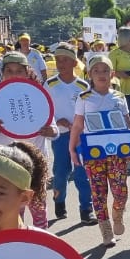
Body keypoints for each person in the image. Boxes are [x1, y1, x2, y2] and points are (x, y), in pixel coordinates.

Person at [0, 52, 58, 229]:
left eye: (19, 71)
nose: (14, 75)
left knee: (38, 208)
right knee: (11, 209)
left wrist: (50, 130)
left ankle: (41, 243)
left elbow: (53, 127)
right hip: (5, 163)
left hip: (35, 162)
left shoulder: (38, 95)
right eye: (9, 70)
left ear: (27, 72)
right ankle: (14, 243)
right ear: (2, 73)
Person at [69, 53, 130, 246]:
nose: (101, 74)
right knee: (98, 192)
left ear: (112, 73)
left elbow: (127, 123)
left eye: (105, 70)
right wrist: (72, 149)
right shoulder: (84, 97)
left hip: (116, 153)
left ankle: (117, 214)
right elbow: (78, 125)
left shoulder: (119, 97)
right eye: (96, 70)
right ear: (89, 74)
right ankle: (105, 230)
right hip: (94, 153)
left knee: (120, 191)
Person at [47, 42, 94, 224]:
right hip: (61, 135)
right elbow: (45, 108)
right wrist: (56, 121)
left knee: (82, 172)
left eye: (65, 60)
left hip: (80, 136)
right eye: (58, 60)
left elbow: (89, 109)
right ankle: (59, 200)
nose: (61, 63)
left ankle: (86, 209)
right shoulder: (50, 84)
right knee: (61, 172)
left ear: (75, 63)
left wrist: (79, 123)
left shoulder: (83, 86)